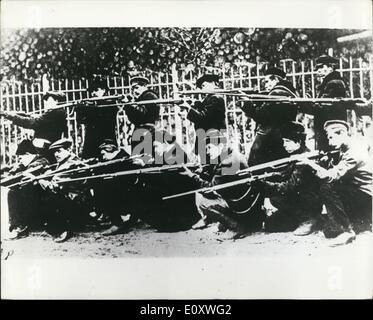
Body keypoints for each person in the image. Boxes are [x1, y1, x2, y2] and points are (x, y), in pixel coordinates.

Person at [300, 120, 372, 246]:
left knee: (326, 187)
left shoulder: (354, 152)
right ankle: (356, 226)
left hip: (364, 196)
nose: (329, 141)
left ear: (342, 133)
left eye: (332, 137)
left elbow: (330, 177)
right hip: (357, 194)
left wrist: (310, 164)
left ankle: (345, 231)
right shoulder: (347, 147)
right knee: (328, 231)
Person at [181, 132, 255, 239]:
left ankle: (235, 227)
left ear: (220, 146)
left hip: (242, 204)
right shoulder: (230, 155)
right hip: (245, 201)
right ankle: (230, 222)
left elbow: (211, 189)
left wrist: (192, 176)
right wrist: (202, 172)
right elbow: (218, 175)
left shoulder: (227, 162)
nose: (207, 151)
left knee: (204, 203)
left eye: (210, 147)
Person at [254, 121, 322, 235]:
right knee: (270, 225)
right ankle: (298, 218)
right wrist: (266, 178)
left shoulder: (304, 158)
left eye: (287, 141)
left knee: (276, 197)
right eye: (283, 141)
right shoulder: (296, 155)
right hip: (299, 201)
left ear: (298, 142)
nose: (284, 144)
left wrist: (264, 185)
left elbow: (289, 186)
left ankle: (308, 220)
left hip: (309, 204)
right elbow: (284, 175)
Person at [38, 138, 93, 242]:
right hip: (76, 201)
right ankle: (51, 226)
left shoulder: (70, 164)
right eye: (54, 152)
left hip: (76, 202)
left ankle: (64, 229)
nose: (56, 154)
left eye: (59, 151)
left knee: (51, 196)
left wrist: (40, 180)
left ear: (69, 150)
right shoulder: (65, 162)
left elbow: (54, 186)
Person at [241, 67, 299, 166]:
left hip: (269, 138)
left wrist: (246, 104)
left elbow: (262, 116)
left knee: (259, 168)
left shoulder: (276, 93)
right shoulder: (289, 91)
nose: (266, 85)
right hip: (281, 136)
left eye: (267, 81)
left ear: (276, 80)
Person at [4, 140, 51, 240]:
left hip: (44, 195)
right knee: (13, 192)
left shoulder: (40, 161)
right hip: (34, 196)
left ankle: (23, 225)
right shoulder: (27, 163)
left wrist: (19, 171)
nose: (20, 160)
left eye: (21, 157)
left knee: (23, 190)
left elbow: (28, 175)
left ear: (28, 154)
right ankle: (17, 224)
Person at [0, 91, 67, 155]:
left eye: (49, 100)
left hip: (44, 146)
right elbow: (39, 119)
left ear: (56, 101)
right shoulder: (58, 112)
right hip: (46, 145)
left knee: (25, 152)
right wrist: (20, 115)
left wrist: (11, 116)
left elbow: (33, 123)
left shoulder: (55, 113)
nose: (46, 102)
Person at [183, 74, 226, 159]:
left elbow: (203, 118)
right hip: (208, 138)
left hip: (212, 139)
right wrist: (194, 105)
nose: (202, 89)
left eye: (204, 85)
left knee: (211, 164)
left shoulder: (216, 98)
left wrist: (188, 108)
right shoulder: (211, 98)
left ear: (213, 83)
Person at [75, 78, 119, 159]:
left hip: (106, 140)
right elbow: (81, 120)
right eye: (91, 91)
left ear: (104, 90)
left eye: (96, 90)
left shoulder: (110, 103)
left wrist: (90, 108)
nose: (93, 93)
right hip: (91, 140)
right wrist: (79, 109)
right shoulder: (90, 105)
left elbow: (104, 119)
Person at [313, 55, 348, 150]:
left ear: (330, 67)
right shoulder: (329, 83)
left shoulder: (334, 83)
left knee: (330, 153)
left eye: (321, 67)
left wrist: (308, 106)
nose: (318, 70)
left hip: (331, 126)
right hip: (327, 125)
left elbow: (324, 106)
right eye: (317, 68)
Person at [124, 76, 160, 154]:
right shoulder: (141, 98)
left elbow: (142, 115)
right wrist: (128, 105)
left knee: (144, 160)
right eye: (132, 89)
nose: (134, 91)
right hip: (141, 132)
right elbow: (133, 119)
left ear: (144, 86)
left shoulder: (150, 96)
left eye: (136, 87)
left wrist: (129, 104)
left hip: (146, 132)